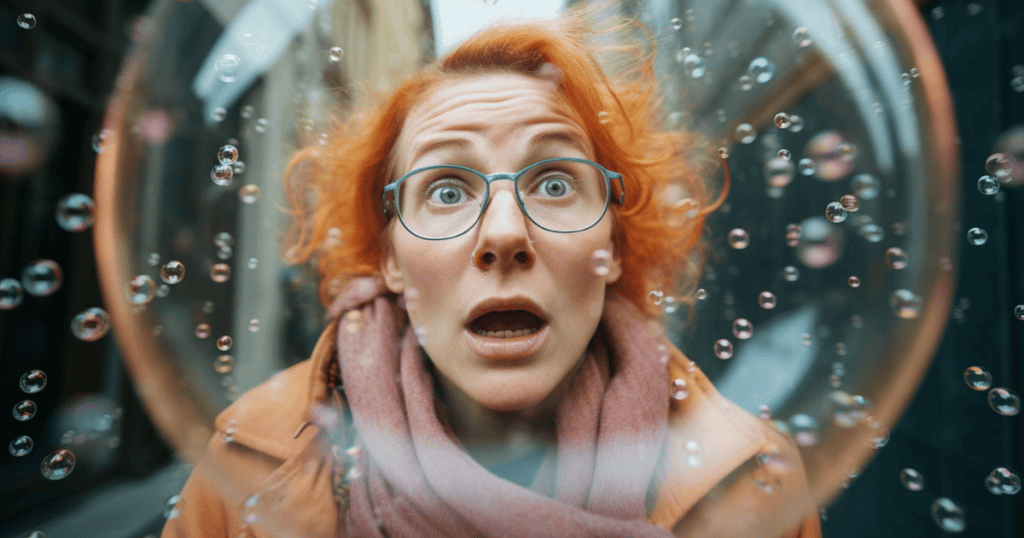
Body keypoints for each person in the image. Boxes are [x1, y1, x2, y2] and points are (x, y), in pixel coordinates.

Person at [162, 13, 821, 538]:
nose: (505, 233)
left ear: (614, 244)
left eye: (556, 182)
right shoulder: (244, 464)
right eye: (446, 191)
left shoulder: (756, 484)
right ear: (389, 257)